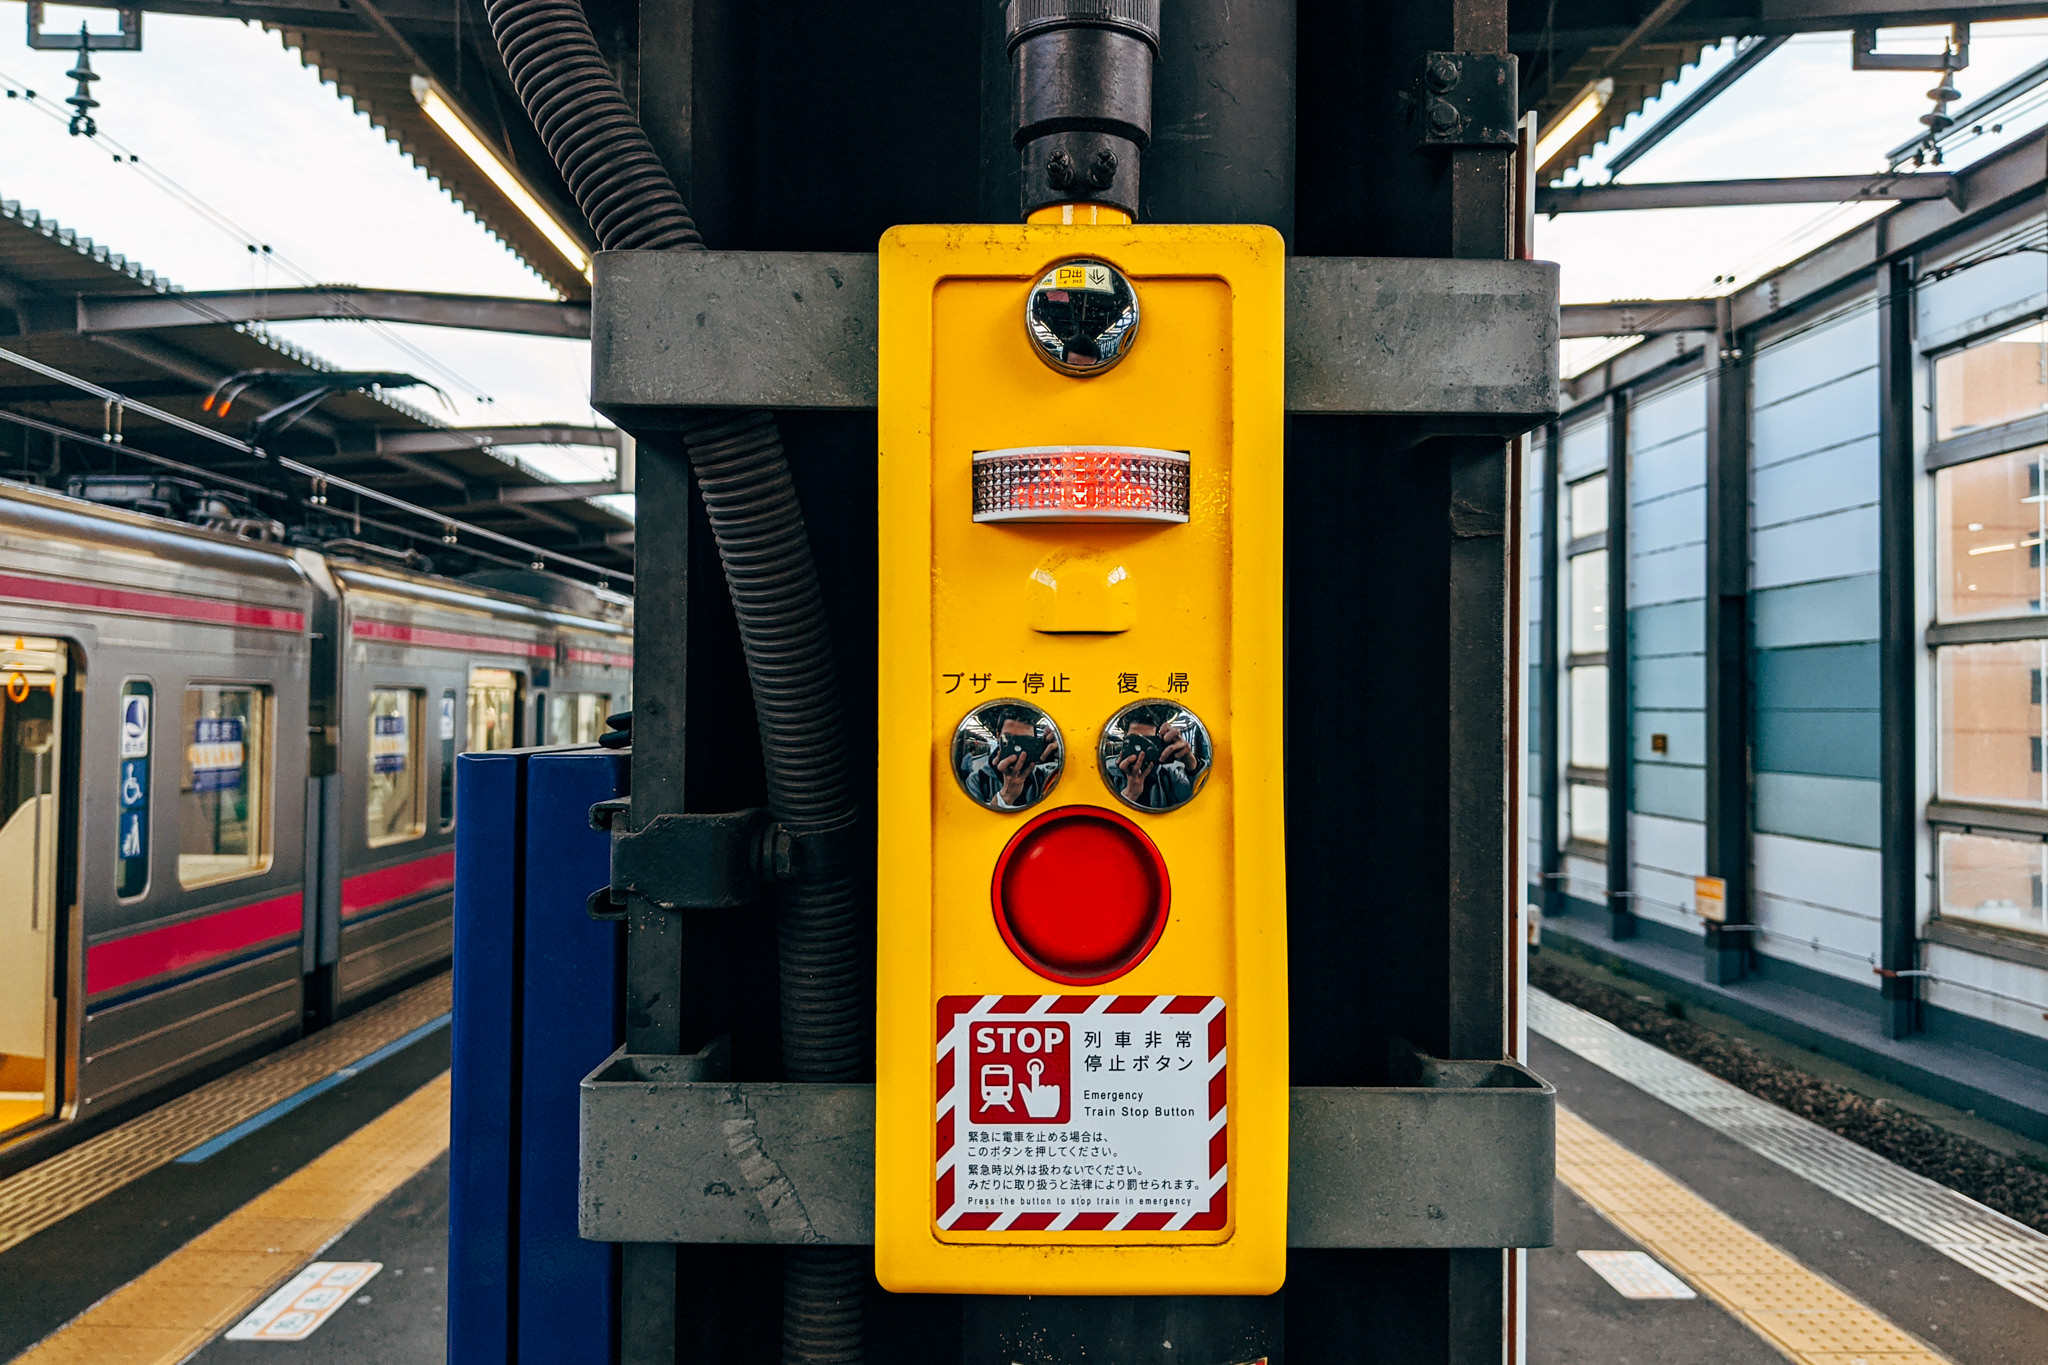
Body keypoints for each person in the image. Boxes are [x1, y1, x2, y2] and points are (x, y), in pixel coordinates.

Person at [961, 705, 1061, 809]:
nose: (1017, 747)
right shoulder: (977, 781)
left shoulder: (1046, 778)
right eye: (1009, 739)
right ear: (998, 735)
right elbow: (975, 822)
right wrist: (1005, 796)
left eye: (1025, 741)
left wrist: (1064, 753)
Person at [1109, 705, 1205, 810]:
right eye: (1135, 740)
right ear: (1125, 739)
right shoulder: (1106, 772)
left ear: (1158, 743)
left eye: (1148, 742)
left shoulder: (1170, 774)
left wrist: (1192, 765)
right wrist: (1129, 794)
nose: (1142, 751)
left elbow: (1199, 803)